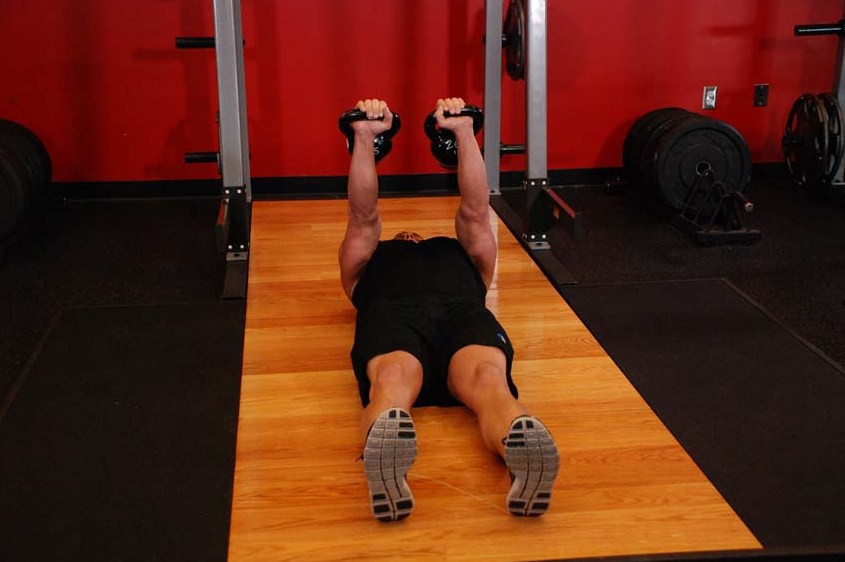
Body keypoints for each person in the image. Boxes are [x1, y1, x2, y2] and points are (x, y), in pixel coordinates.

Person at [338, 97, 559, 522]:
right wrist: (363, 138)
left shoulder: (464, 253)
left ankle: (522, 447)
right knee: (393, 378)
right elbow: (363, 215)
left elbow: (476, 210)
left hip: (459, 314)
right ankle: (387, 456)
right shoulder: (366, 263)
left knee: (488, 380)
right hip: (394, 315)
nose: (409, 234)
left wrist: (463, 131)